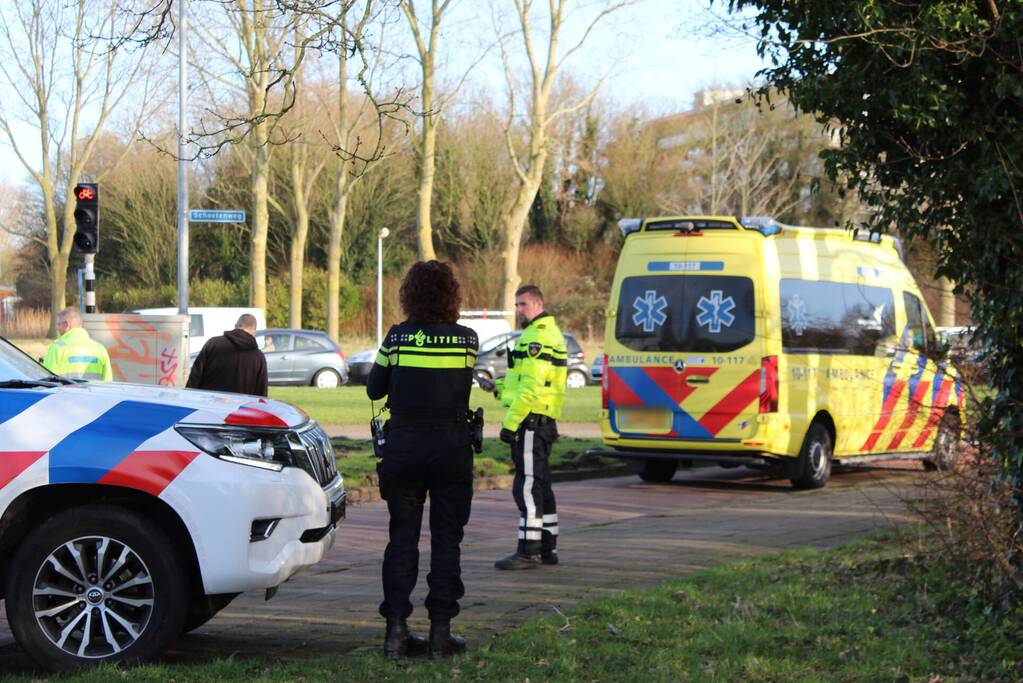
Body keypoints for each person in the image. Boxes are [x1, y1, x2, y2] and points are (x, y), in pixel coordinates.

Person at [366, 260, 479, 659]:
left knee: (402, 541)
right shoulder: (468, 340)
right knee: (448, 541)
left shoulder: (396, 338)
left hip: (405, 447)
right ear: (452, 295)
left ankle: (395, 634)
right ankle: (440, 634)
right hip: (451, 447)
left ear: (409, 295)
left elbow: (374, 390)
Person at [489, 284, 567, 570]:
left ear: (537, 303)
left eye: (523, 304)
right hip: (541, 418)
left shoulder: (538, 337)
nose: (519, 310)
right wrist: (498, 389)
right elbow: (525, 383)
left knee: (528, 487)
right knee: (542, 484)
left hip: (531, 421)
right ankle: (547, 548)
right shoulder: (545, 333)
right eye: (517, 305)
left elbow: (532, 389)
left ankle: (528, 551)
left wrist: (510, 425)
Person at [186, 313, 268, 396]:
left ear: (236, 326)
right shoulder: (258, 357)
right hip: (240, 406)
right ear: (254, 331)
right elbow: (261, 391)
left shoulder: (213, 343)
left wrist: (188, 398)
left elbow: (195, 376)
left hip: (209, 403)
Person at [42, 307, 113, 381]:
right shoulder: (100, 349)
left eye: (59, 324)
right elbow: (108, 382)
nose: (57, 328)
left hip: (65, 393)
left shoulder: (58, 348)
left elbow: (46, 380)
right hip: (94, 392)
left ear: (66, 324)